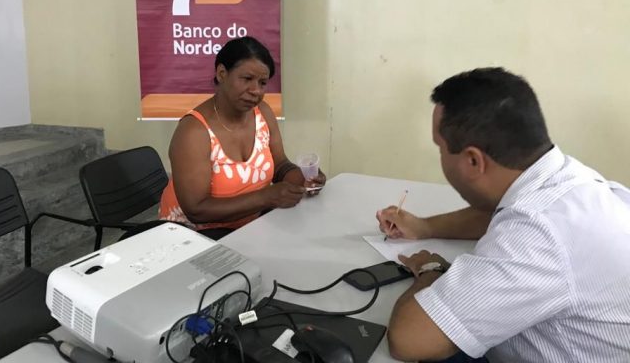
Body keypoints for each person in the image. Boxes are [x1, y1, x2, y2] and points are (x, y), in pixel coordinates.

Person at [377, 68, 630, 362]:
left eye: (440, 149)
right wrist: (425, 227)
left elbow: (409, 341)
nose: (440, 158)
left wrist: (431, 270)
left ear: (473, 161)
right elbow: (499, 213)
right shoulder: (569, 180)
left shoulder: (536, 235)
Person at [159, 36, 325, 240]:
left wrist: (305, 178)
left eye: (262, 83)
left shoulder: (262, 112)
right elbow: (196, 210)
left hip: (247, 229)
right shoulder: (194, 132)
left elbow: (281, 165)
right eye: (247, 79)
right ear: (222, 73)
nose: (256, 91)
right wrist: (266, 197)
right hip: (190, 237)